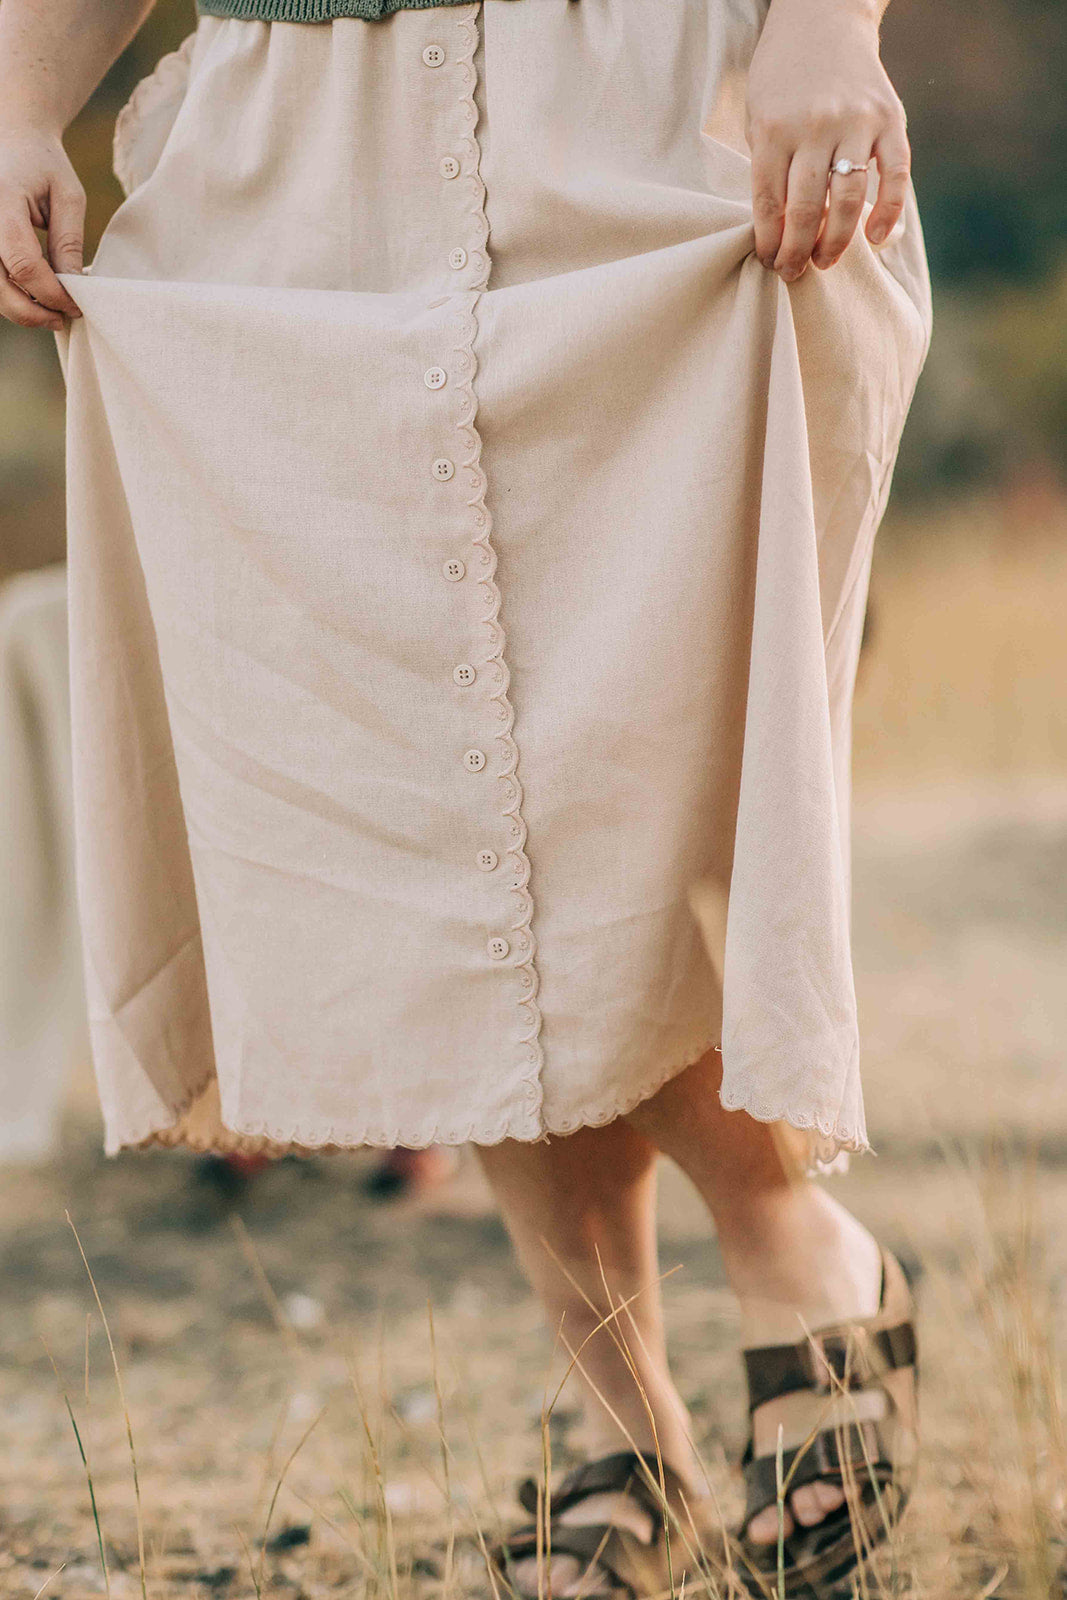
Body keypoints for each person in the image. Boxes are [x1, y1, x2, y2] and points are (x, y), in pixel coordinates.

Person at [0, 0, 930, 1592]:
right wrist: (20, 101)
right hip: (287, 177)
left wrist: (828, 28)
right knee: (423, 807)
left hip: (644, 114)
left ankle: (787, 1238)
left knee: (646, 768)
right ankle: (620, 1409)